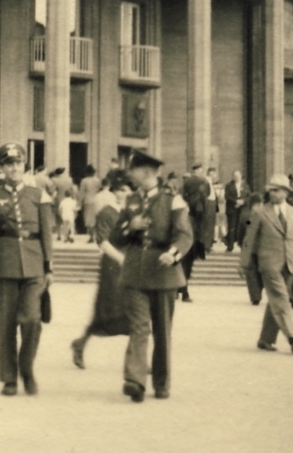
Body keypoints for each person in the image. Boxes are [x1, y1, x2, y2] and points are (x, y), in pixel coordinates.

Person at [0, 142, 54, 397]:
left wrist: (48, 267)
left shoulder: (38, 194)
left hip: (34, 263)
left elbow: (47, 234)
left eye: (18, 163)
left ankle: (26, 368)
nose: (14, 168)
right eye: (8, 164)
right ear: (1, 169)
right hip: (4, 263)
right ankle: (9, 378)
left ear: (24, 165)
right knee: (6, 324)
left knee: (31, 320)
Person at [118, 151, 192, 402]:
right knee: (139, 327)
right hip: (135, 271)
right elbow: (116, 237)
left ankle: (161, 382)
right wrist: (131, 226)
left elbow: (185, 235)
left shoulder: (173, 200)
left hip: (163, 272)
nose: (130, 174)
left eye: (134, 170)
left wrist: (173, 254)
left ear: (146, 173)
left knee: (162, 330)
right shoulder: (130, 201)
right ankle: (135, 380)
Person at [70, 170, 133, 369]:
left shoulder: (133, 212)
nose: (123, 193)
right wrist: (122, 259)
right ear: (114, 191)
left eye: (127, 190)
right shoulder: (107, 212)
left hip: (132, 265)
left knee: (136, 312)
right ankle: (80, 344)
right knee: (107, 311)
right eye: (120, 190)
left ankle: (136, 357)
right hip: (113, 265)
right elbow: (103, 242)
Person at [239, 173, 293, 355]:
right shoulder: (260, 213)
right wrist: (244, 264)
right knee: (281, 299)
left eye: (276, 190)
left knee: (275, 301)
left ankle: (265, 339)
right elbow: (249, 239)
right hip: (269, 264)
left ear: (285, 192)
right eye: (269, 190)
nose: (271, 193)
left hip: (290, 264)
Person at [178, 163, 215, 302]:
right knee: (186, 262)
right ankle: (183, 290)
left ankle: (182, 289)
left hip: (188, 238)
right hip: (187, 238)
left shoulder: (184, 199)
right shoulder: (200, 202)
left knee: (185, 262)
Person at [224, 170, 249, 251]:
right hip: (232, 209)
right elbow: (227, 196)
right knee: (232, 227)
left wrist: (243, 201)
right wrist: (235, 201)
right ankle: (230, 246)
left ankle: (242, 245)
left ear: (241, 176)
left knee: (242, 227)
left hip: (242, 209)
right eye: (235, 176)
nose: (236, 177)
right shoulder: (228, 186)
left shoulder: (245, 185)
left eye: (238, 176)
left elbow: (249, 196)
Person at [77, 165, 102, 242]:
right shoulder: (98, 180)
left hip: (88, 201)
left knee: (89, 219)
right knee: (96, 218)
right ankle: (98, 235)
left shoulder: (84, 181)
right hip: (97, 200)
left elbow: (81, 193)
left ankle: (91, 236)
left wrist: (79, 204)